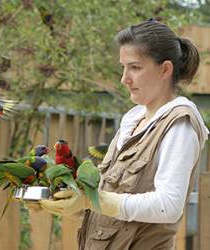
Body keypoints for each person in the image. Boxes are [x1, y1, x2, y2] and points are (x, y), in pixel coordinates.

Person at [38, 19, 209, 250]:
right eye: (123, 67)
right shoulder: (133, 120)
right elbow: (111, 211)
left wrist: (92, 199)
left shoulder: (179, 125)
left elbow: (168, 206)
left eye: (135, 67)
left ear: (165, 69)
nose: (124, 78)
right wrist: (63, 203)